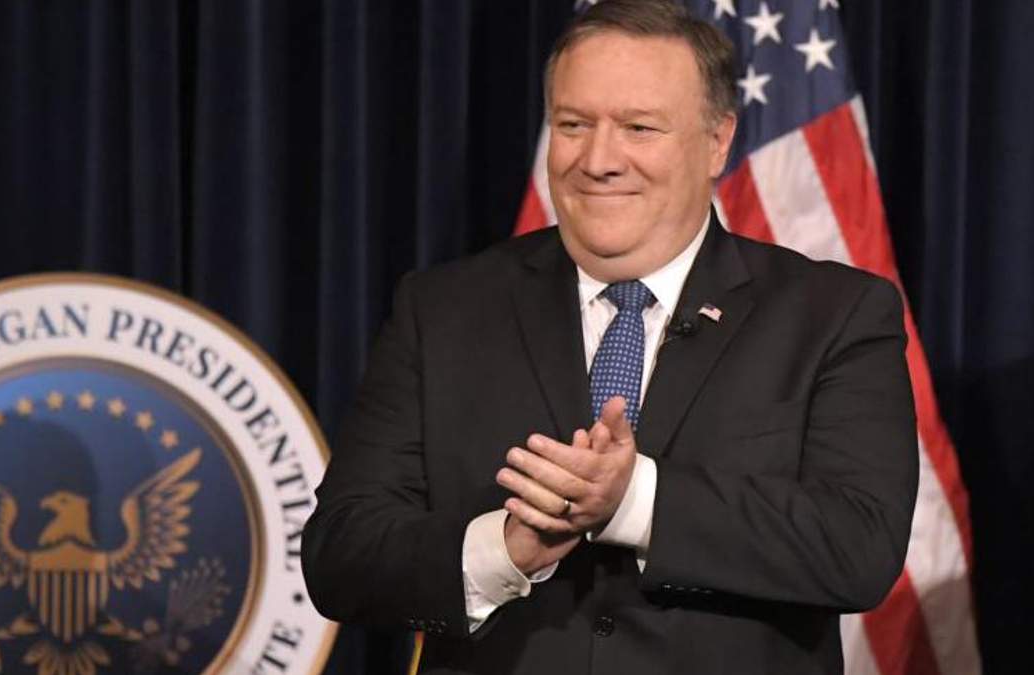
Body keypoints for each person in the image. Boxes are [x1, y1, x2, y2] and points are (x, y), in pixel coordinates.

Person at [301, 0, 918, 672]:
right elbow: (340, 555)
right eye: (573, 124)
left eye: (639, 127)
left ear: (717, 142)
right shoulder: (442, 309)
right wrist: (502, 552)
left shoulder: (833, 314)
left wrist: (636, 500)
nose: (598, 160)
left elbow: (859, 548)